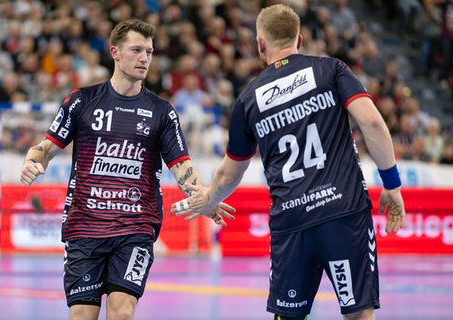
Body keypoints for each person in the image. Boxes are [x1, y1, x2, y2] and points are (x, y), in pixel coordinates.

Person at [171, 5, 406, 320]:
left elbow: (230, 171)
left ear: (260, 43)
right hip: (342, 211)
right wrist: (391, 184)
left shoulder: (248, 99)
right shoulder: (331, 69)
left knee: (289, 316)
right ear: (300, 37)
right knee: (358, 314)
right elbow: (374, 124)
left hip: (291, 222)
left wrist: (210, 198)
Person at [19, 19, 234, 320]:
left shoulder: (162, 112)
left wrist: (204, 197)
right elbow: (45, 147)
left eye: (149, 51)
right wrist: (32, 162)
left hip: (135, 229)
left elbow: (182, 166)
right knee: (82, 314)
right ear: (115, 52)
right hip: (84, 227)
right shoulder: (81, 101)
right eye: (136, 50)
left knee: (121, 313)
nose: (144, 58)